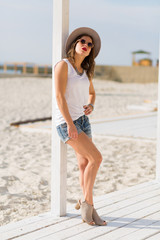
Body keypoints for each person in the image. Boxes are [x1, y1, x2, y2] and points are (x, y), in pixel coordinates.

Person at [54, 27, 107, 226]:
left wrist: (91, 104)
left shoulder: (85, 71)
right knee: (97, 158)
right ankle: (88, 204)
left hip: (84, 121)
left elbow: (92, 93)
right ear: (75, 44)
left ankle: (85, 202)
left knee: (85, 164)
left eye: (89, 44)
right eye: (82, 42)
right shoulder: (63, 65)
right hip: (68, 122)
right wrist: (69, 124)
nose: (86, 45)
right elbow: (59, 97)